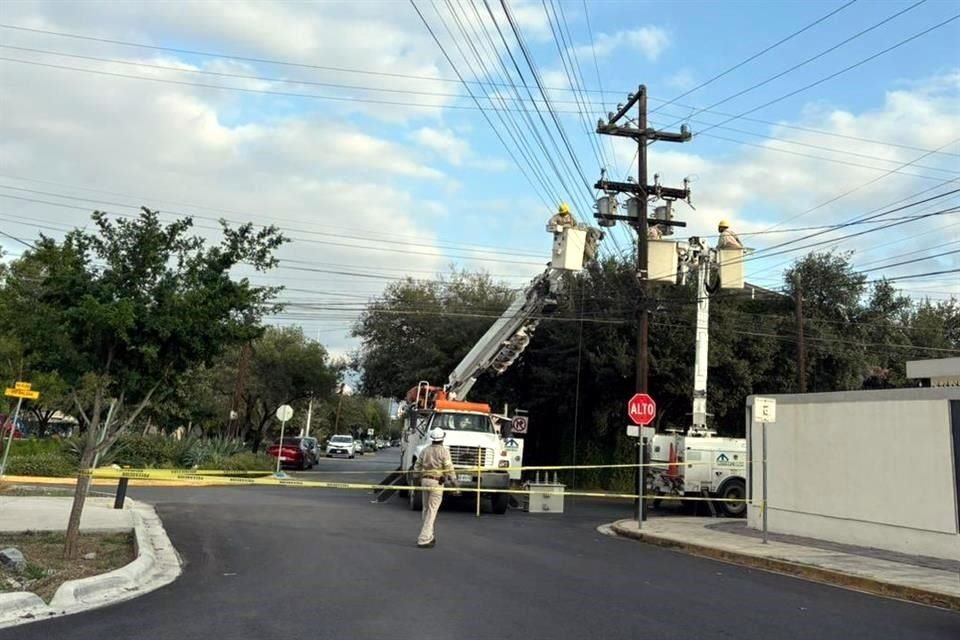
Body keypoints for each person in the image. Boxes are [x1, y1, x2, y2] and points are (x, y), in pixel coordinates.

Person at [414, 427, 458, 548]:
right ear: (442, 439)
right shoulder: (444, 451)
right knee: (432, 511)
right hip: (436, 482)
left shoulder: (425, 450)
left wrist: (416, 478)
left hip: (425, 480)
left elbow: (417, 466)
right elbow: (449, 468)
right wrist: (454, 483)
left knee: (426, 509)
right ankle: (423, 539)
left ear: (432, 439)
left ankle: (429, 536)